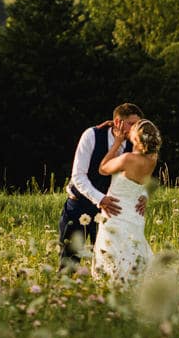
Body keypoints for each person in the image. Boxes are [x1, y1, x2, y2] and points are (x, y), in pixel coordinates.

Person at [59, 104, 146, 269]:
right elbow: (78, 176)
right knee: (69, 263)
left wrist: (144, 196)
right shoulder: (92, 135)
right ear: (117, 122)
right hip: (79, 205)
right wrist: (100, 199)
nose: (135, 129)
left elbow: (142, 176)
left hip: (111, 211)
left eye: (138, 125)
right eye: (131, 124)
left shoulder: (136, 144)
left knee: (108, 263)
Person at [92, 119, 161, 283]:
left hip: (116, 215)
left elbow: (103, 168)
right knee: (133, 254)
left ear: (136, 138)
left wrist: (116, 143)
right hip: (135, 215)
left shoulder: (128, 158)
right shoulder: (153, 159)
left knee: (114, 257)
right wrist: (144, 195)